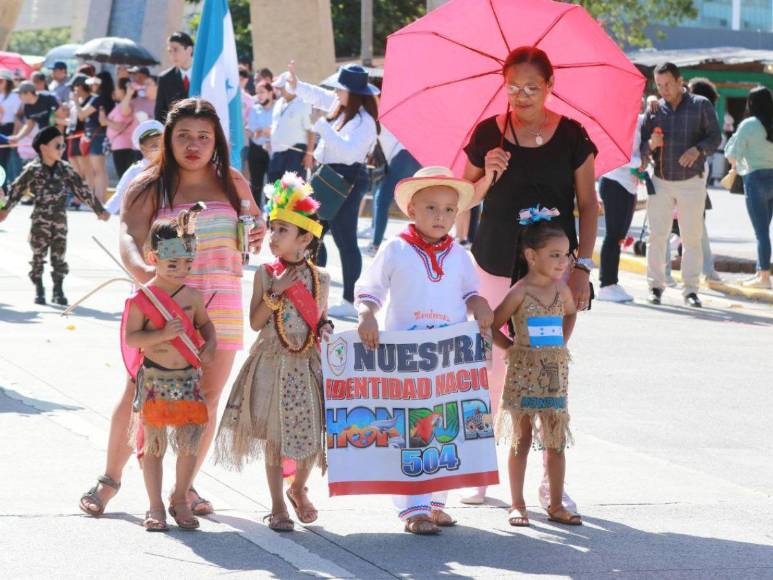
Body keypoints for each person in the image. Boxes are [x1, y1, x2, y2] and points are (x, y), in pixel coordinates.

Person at [78, 98, 265, 519]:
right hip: (163, 305)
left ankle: (184, 488)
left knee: (207, 398)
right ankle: (110, 480)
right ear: (168, 139)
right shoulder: (149, 184)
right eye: (183, 136)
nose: (193, 145)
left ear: (216, 141)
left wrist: (258, 230)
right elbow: (129, 235)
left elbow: (253, 222)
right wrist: (146, 273)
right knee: (140, 393)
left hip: (222, 303)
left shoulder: (233, 181)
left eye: (203, 136)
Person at [461, 46, 597, 507]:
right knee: (489, 367)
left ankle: (549, 480)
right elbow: (462, 199)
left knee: (545, 372)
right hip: (495, 262)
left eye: (531, 88)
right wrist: (488, 176)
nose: (521, 96)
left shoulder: (573, 135)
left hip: (550, 275)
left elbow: (589, 205)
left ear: (549, 86)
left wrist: (582, 267)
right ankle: (479, 468)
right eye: (513, 87)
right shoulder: (488, 134)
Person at [356, 166, 494, 535]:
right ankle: (413, 508)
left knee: (446, 426)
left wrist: (480, 304)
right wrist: (367, 314)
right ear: (412, 209)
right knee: (415, 428)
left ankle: (436, 503)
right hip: (408, 360)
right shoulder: (396, 249)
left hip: (447, 361)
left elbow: (470, 293)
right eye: (431, 207)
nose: (440, 216)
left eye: (449, 210)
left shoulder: (460, 256)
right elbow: (370, 288)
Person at [216, 173, 330, 532]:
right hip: (272, 362)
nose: (273, 236)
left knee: (309, 434)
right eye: (273, 228)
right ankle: (277, 504)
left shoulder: (321, 278)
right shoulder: (266, 274)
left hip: (305, 364)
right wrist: (276, 291)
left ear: (305, 238)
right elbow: (254, 322)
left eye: (283, 230)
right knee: (275, 438)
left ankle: (297, 487)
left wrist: (326, 327)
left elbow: (320, 319)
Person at [123, 206, 217, 531]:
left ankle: (180, 499)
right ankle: (155, 505)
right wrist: (162, 334)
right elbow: (132, 338)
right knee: (154, 445)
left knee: (189, 442)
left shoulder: (193, 296)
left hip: (188, 378)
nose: (181, 270)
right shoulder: (143, 298)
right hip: (155, 379)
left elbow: (206, 326)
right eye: (172, 263)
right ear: (153, 258)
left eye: (187, 263)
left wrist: (211, 344)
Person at [491, 207, 580, 527]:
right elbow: (492, 325)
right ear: (531, 255)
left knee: (555, 440)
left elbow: (570, 313)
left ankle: (556, 503)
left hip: (554, 375)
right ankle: (517, 503)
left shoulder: (562, 289)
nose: (563, 261)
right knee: (522, 439)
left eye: (566, 255)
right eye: (554, 255)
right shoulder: (520, 292)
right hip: (523, 375)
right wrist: (511, 349)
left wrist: (561, 343)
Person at [286, 62, 379, 318]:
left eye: (340, 88)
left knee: (344, 240)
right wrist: (296, 84)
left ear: (353, 93)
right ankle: (316, 291)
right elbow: (318, 95)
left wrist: (322, 126)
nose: (336, 92)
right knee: (311, 232)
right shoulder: (341, 105)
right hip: (329, 176)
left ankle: (349, 299)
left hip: (347, 179)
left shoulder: (365, 121)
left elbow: (348, 153)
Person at [640, 62, 721, 308]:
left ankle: (691, 290)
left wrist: (698, 149)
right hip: (660, 181)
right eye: (659, 85)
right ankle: (655, 287)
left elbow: (715, 137)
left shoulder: (700, 105)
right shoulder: (654, 110)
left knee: (691, 238)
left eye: (668, 84)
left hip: (691, 182)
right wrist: (650, 145)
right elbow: (640, 149)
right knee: (657, 236)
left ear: (679, 81)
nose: (663, 90)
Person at [0, 126, 109, 305]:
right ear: (43, 148)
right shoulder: (33, 169)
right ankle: (39, 288)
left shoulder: (65, 169)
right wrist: (4, 210)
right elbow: (16, 191)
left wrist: (99, 210)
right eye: (57, 146)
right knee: (38, 255)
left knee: (59, 256)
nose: (62, 149)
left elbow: (82, 190)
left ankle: (58, 289)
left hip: (60, 221)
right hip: (40, 221)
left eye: (63, 146)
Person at [725, 86, 773, 289]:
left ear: (751, 103)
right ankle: (760, 273)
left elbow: (731, 154)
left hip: (755, 179)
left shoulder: (749, 124)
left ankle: (764, 277)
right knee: (764, 230)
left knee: (761, 232)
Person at [597, 105, 643, 303]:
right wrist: (639, 163)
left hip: (629, 186)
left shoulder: (639, 120)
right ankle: (606, 285)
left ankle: (612, 282)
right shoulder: (616, 121)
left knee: (619, 237)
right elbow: (616, 154)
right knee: (613, 235)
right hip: (614, 182)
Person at [363, 125, 421, 257]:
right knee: (417, 202)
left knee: (382, 201)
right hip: (414, 156)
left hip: (401, 158)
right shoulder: (395, 121)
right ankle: (421, 244)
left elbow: (368, 144)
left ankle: (376, 245)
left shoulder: (378, 123)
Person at [104, 119, 163, 215]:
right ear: (143, 149)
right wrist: (108, 210)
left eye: (162, 145)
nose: (159, 149)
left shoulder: (171, 167)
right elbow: (121, 192)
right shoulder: (136, 170)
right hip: (143, 216)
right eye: (154, 146)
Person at [266, 72, 314, 184]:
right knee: (274, 189)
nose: (279, 90)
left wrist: (309, 154)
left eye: (281, 87)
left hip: (295, 154)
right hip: (277, 154)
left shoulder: (303, 103)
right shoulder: (279, 103)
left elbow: (311, 130)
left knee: (292, 191)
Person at [77, 71, 114, 202]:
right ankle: (99, 199)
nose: (92, 85)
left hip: (97, 135)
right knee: (99, 169)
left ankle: (99, 200)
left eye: (95, 82)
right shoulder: (107, 97)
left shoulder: (99, 98)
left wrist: (75, 101)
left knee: (98, 169)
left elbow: (81, 115)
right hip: (99, 135)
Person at [101, 77, 140, 179]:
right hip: (119, 145)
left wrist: (105, 120)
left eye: (117, 88)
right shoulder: (121, 104)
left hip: (123, 146)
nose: (115, 91)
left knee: (124, 178)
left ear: (123, 90)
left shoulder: (127, 104)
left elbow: (122, 119)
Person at [155, 31, 194, 123]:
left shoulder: (204, 76)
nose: (172, 55)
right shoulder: (165, 78)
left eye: (176, 50)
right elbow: (160, 114)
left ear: (189, 50)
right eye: (170, 51)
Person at [247, 81, 274, 203]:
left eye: (262, 92)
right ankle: (255, 212)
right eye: (257, 93)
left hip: (273, 150)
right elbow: (253, 131)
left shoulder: (278, 109)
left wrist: (263, 131)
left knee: (272, 186)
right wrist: (266, 131)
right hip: (256, 150)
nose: (259, 95)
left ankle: (271, 213)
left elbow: (278, 129)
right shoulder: (254, 109)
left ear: (270, 93)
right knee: (255, 185)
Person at [7, 81, 60, 145]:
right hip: (45, 138)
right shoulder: (26, 107)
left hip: (57, 137)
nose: (18, 97)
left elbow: (61, 117)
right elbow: (29, 125)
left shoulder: (48, 99)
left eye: (20, 94)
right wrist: (17, 137)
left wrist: (59, 140)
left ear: (29, 93)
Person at [0, 70, 21, 171]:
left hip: (8, 129)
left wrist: (14, 135)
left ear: (8, 82)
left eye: (1, 81)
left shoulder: (15, 97)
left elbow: (17, 118)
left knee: (5, 161)